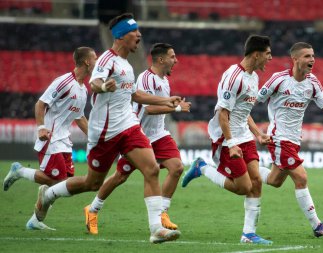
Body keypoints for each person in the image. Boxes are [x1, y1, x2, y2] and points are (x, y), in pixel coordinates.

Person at [32, 13, 182, 244]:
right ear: (122, 35)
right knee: (92, 183)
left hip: (129, 126)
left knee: (151, 169)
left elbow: (135, 95)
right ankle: (49, 194)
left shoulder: (127, 66)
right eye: (135, 31)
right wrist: (103, 87)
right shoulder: (106, 60)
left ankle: (155, 229)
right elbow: (94, 83)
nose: (139, 35)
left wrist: (166, 101)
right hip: (104, 132)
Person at [84, 42, 191, 235]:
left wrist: (171, 104)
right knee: (120, 177)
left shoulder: (164, 80)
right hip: (137, 135)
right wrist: (175, 107)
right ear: (161, 59)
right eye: (173, 57)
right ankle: (92, 209)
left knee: (177, 168)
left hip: (159, 135)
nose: (176, 60)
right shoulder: (146, 79)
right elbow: (148, 109)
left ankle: (162, 214)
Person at [256, 42, 323, 237]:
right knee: (301, 177)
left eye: (312, 55)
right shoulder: (278, 79)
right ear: (295, 59)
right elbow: (253, 100)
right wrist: (250, 128)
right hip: (279, 138)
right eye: (306, 56)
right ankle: (317, 225)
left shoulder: (312, 82)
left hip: (295, 140)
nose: (312, 59)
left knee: (274, 181)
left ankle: (247, 167)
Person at [181, 35, 273, 245]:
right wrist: (231, 144)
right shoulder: (234, 77)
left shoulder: (253, 77)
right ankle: (202, 167)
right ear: (256, 54)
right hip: (225, 138)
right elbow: (223, 114)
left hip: (245, 135)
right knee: (243, 187)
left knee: (257, 181)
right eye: (268, 54)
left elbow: (244, 110)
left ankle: (248, 234)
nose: (270, 58)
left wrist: (257, 134)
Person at [3, 46, 96, 230]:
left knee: (65, 183)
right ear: (86, 61)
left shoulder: (83, 90)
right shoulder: (63, 82)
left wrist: (94, 137)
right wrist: (41, 128)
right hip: (50, 138)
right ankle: (19, 171)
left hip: (64, 141)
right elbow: (41, 103)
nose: (97, 62)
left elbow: (79, 118)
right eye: (94, 59)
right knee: (56, 183)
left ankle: (35, 220)